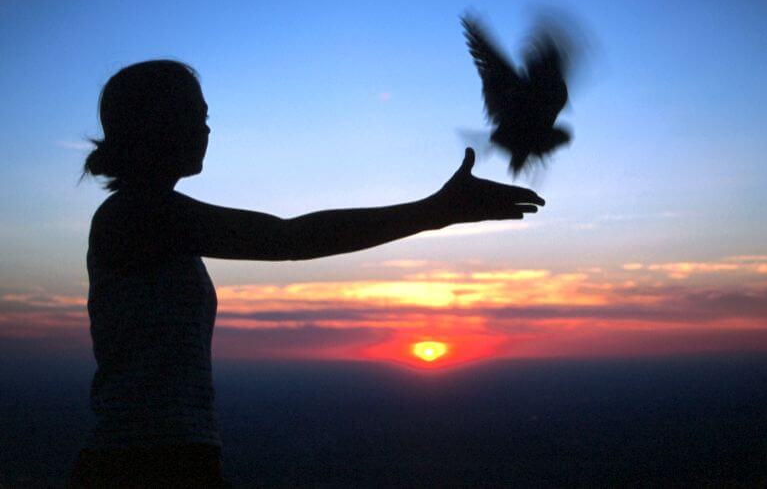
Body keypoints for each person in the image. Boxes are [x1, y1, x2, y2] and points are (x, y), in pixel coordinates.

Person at [69, 59, 544, 487]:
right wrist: (433, 211)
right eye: (194, 115)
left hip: (165, 458)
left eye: (205, 116)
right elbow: (289, 239)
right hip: (144, 465)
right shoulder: (137, 216)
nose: (206, 129)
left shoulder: (148, 216)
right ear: (152, 125)